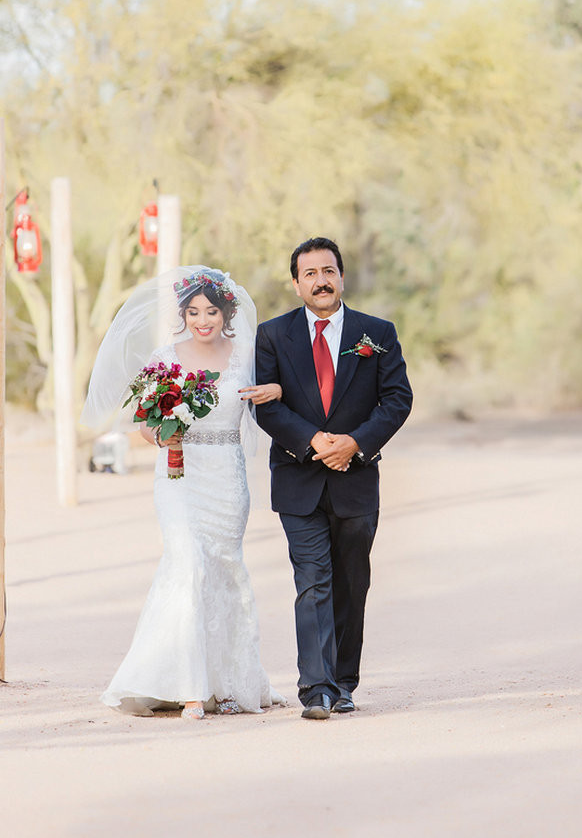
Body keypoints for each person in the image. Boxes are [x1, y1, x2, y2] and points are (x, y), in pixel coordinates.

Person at [82, 266, 285, 720]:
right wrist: (159, 435)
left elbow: (281, 395)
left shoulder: (248, 355)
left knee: (224, 569)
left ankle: (229, 683)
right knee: (187, 563)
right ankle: (188, 687)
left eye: (211, 310)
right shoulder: (165, 356)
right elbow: (141, 423)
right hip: (178, 478)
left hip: (227, 479)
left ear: (226, 311)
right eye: (193, 312)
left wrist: (274, 388)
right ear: (184, 315)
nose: (202, 320)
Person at [254, 237, 413, 719]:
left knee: (351, 583)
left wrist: (355, 444)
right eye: (310, 273)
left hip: (356, 480)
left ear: (342, 277)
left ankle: (344, 682)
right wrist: (314, 440)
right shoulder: (272, 336)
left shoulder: (376, 332)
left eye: (329, 271)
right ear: (297, 282)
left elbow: (397, 399)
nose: (320, 281)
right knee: (312, 582)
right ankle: (316, 689)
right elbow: (266, 406)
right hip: (297, 479)